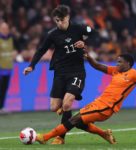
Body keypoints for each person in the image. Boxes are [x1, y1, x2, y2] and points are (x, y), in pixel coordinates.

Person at [36, 53, 136, 144]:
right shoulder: (115, 71)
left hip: (107, 107)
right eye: (117, 61)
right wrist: (89, 57)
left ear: (128, 63)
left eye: (120, 62)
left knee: (74, 119)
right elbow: (98, 66)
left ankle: (45, 137)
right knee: (79, 123)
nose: (117, 64)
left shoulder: (135, 74)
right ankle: (104, 134)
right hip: (99, 103)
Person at [23, 5, 97, 144]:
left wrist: (85, 41)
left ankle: (60, 137)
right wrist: (31, 66)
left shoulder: (79, 28)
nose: (59, 23)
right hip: (60, 72)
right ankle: (77, 121)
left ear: (68, 17)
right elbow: (41, 50)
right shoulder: (52, 34)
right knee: (54, 107)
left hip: (77, 72)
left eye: (61, 20)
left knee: (67, 105)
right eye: (56, 20)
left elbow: (95, 33)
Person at [0, 22, 16, 114]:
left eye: (6, 28)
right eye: (3, 28)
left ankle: (1, 107)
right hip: (0, 68)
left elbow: (16, 49)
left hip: (8, 68)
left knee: (4, 88)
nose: (5, 30)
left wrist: (15, 52)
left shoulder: (11, 38)